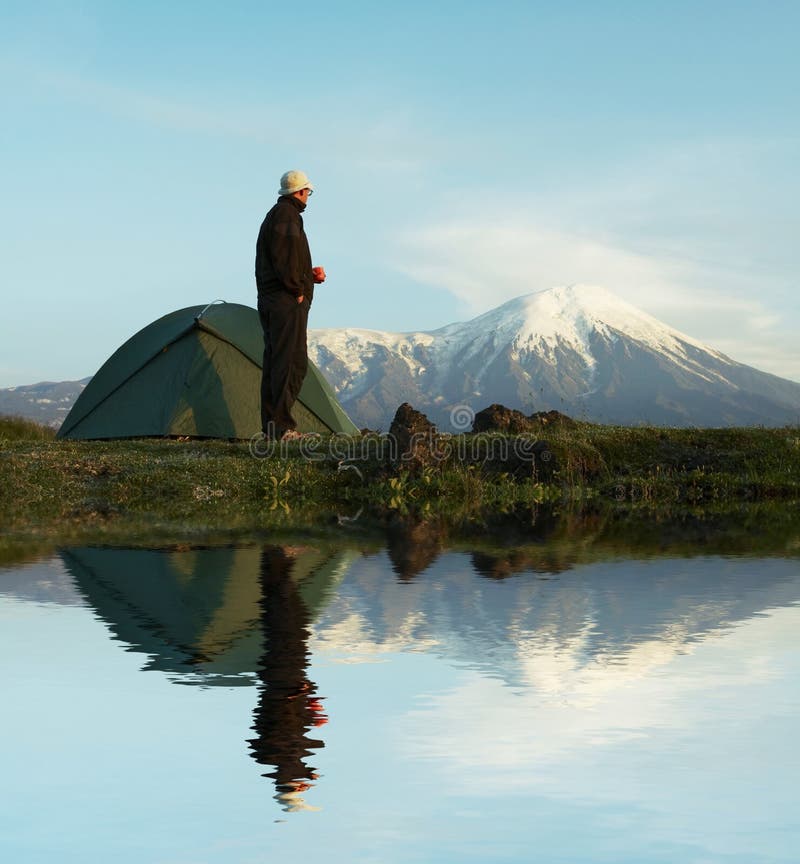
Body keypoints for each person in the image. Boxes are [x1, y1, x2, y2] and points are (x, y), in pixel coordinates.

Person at [255, 169, 326, 441]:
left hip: (274, 300)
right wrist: (297, 288)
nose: (309, 196)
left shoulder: (277, 215)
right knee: (291, 362)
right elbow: (284, 258)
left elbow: (281, 258)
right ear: (300, 192)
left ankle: (272, 428)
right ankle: (282, 428)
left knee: (276, 361)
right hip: (286, 302)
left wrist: (309, 276)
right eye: (308, 191)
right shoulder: (288, 216)